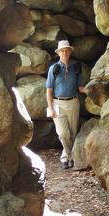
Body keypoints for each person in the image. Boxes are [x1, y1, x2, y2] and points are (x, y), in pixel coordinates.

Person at [45, 40, 86, 169]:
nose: (65, 53)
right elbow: (49, 90)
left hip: (73, 102)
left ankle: (65, 157)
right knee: (63, 133)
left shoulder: (76, 68)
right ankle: (71, 156)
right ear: (58, 53)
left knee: (72, 133)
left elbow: (81, 88)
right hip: (58, 104)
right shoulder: (54, 69)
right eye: (62, 51)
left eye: (67, 50)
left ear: (70, 52)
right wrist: (50, 108)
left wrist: (93, 87)